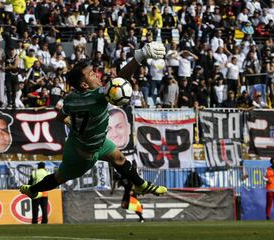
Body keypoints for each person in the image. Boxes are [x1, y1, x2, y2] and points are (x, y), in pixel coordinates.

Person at [20, 41, 168, 200]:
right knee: (59, 178)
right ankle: (33, 189)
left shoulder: (70, 99)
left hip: (91, 142)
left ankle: (141, 185)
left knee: (118, 158)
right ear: (84, 84)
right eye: (91, 74)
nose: (96, 74)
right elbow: (120, 80)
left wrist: (69, 121)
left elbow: (60, 116)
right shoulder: (98, 97)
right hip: (82, 155)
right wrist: (139, 56)